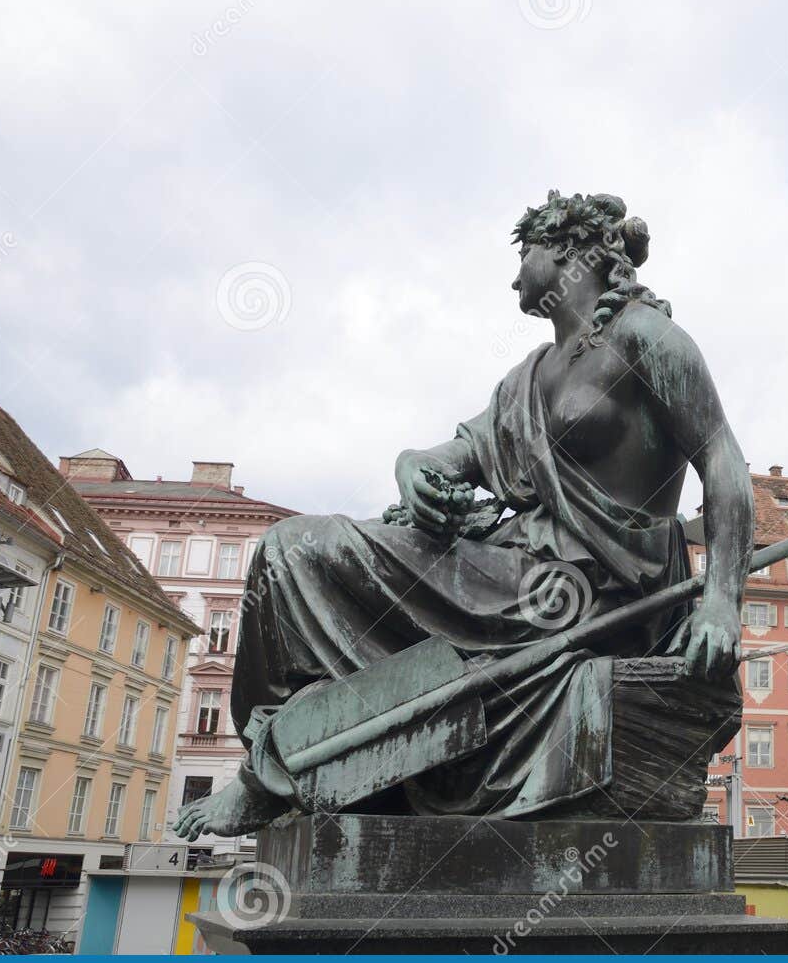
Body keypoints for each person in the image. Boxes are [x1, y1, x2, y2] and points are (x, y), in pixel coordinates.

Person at [174, 191, 754, 838]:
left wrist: (722, 599)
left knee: (295, 552)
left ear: (567, 250)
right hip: (505, 569)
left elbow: (724, 462)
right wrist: (412, 470)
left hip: (586, 592)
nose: (515, 274)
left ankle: (274, 776)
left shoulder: (645, 337)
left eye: (525, 253)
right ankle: (279, 761)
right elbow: (453, 455)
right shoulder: (528, 378)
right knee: (293, 551)